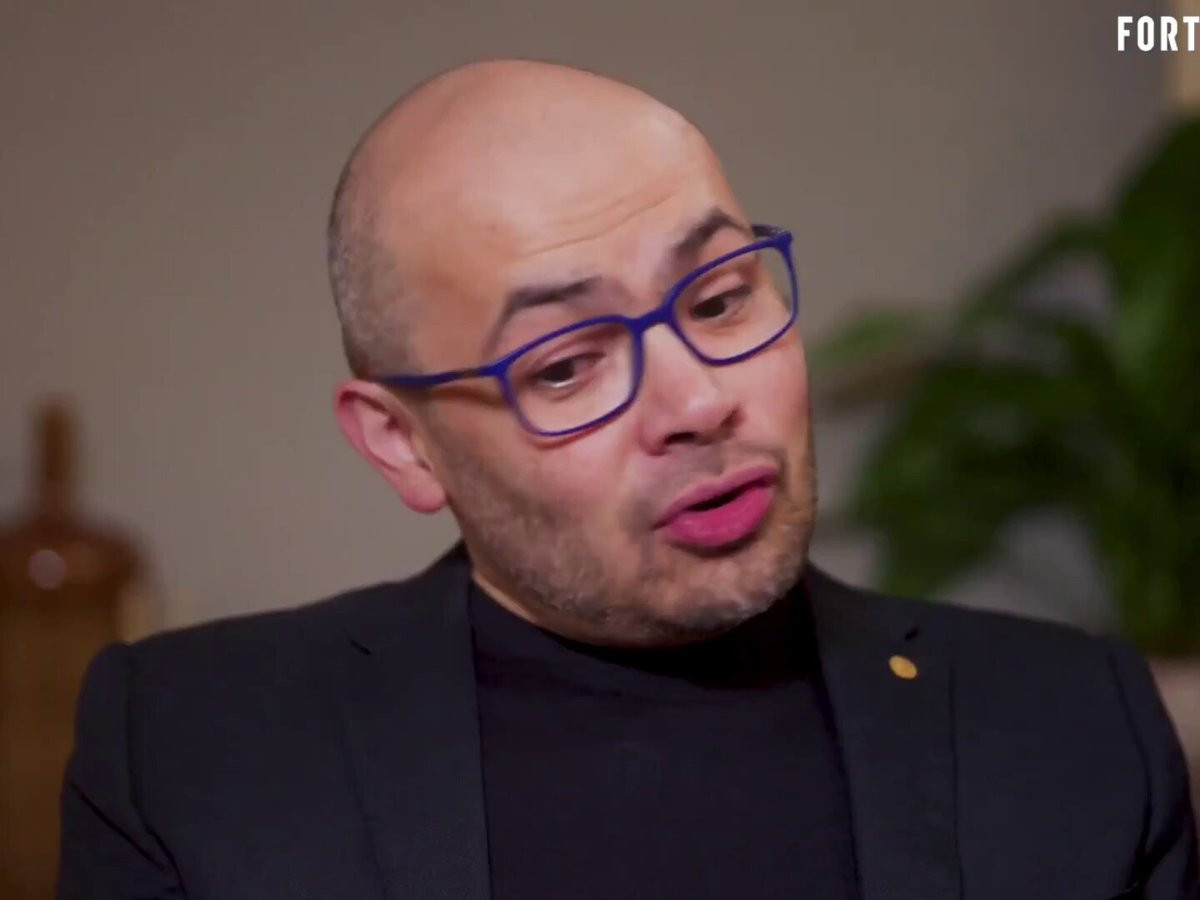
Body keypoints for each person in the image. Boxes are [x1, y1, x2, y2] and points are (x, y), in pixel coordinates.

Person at [58, 59, 1198, 900]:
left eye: (721, 299)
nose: (699, 402)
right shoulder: (193, 749)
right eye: (564, 365)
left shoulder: (1075, 725)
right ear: (403, 443)